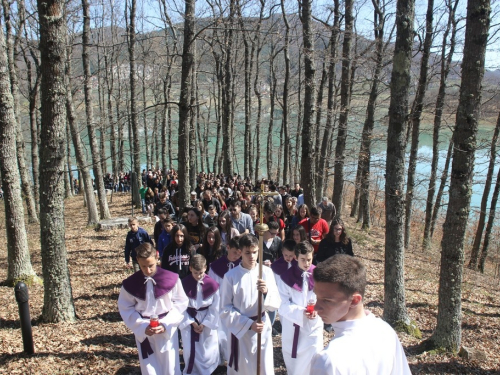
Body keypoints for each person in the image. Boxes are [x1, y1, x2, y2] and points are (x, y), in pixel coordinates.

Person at [310, 254, 411, 374]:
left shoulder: (328, 361)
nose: (316, 307)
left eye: (327, 300)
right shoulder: (385, 331)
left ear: (354, 300)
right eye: (316, 296)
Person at [118, 243, 189, 375]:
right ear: (138, 261)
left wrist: (166, 323)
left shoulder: (171, 279)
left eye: (151, 265)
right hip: (144, 330)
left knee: (170, 367)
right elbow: (125, 307)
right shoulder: (131, 283)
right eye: (143, 266)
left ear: (157, 258)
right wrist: (141, 326)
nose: (148, 270)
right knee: (149, 368)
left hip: (166, 329)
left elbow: (181, 302)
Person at [220, 234, 281, 375]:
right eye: (248, 253)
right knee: (243, 367)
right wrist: (248, 324)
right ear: (240, 252)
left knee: (262, 365)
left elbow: (276, 302)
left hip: (261, 326)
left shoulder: (266, 272)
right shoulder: (231, 276)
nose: (252, 256)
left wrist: (266, 292)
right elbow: (224, 309)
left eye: (255, 252)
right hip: (241, 330)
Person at [278, 241, 323, 375]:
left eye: (309, 259)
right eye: (303, 259)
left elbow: (324, 297)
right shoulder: (286, 277)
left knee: (314, 357)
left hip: (312, 326)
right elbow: (282, 303)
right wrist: (300, 312)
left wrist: (317, 309)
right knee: (295, 361)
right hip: (293, 325)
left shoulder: (319, 275)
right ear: (296, 258)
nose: (306, 263)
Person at [180, 255, 220, 375]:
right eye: (196, 272)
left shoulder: (212, 285)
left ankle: (208, 371)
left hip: (207, 321)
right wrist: (191, 322)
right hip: (189, 320)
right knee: (190, 350)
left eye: (201, 272)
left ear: (206, 268)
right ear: (190, 268)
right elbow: (179, 306)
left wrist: (204, 323)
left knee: (207, 350)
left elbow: (216, 307)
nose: (198, 276)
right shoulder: (183, 284)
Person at [208, 236, 242, 363]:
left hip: (238, 307)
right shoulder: (216, 267)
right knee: (221, 333)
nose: (236, 256)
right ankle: (222, 356)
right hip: (221, 305)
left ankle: (235, 358)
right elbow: (212, 287)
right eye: (234, 252)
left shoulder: (242, 266)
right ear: (228, 247)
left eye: (239, 254)